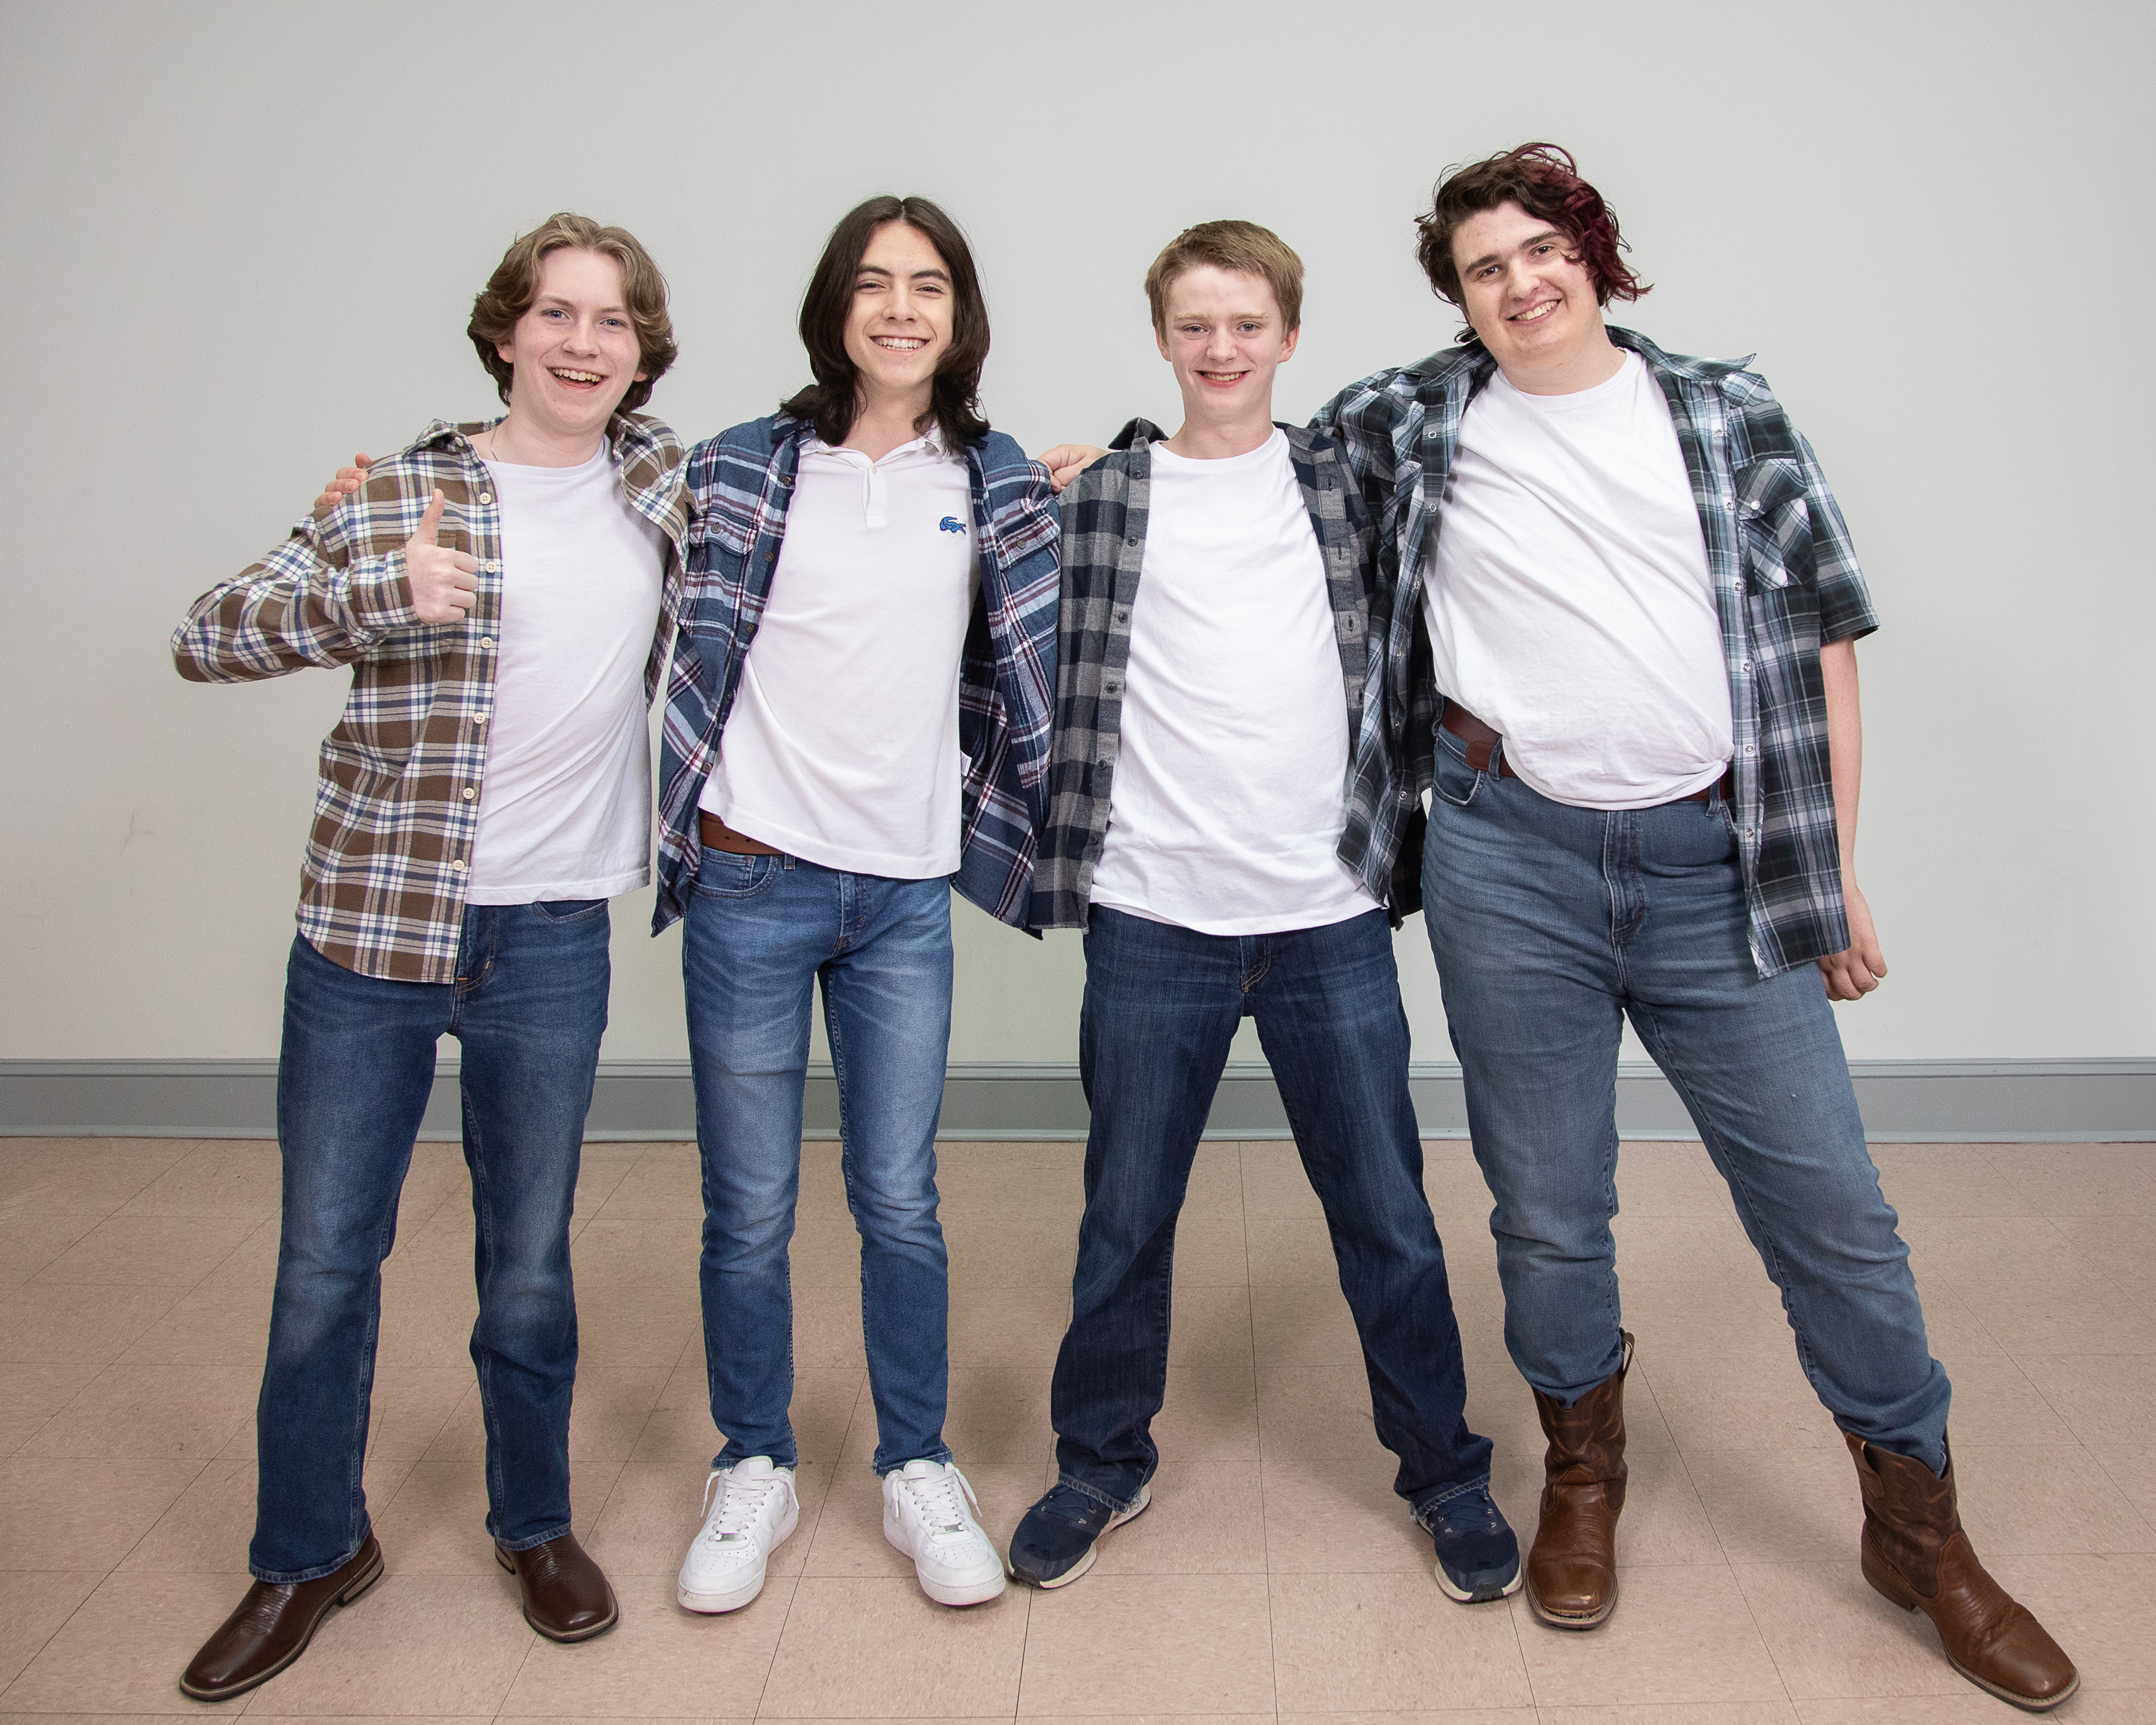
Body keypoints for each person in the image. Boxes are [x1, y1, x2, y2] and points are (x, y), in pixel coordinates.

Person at [1308, 144, 2076, 1707]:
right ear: (1458, 299)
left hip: (1716, 863)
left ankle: (1919, 1531)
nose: (1520, 285)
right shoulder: (1410, 420)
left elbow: (1824, 639)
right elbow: (1247, 470)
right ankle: (1582, 1469)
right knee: (1548, 1205)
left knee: (1833, 1213)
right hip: (1505, 860)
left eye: (1541, 251)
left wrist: (1836, 870)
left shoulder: (1725, 414)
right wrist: (1095, 464)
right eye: (1483, 269)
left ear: (1593, 252)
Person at [170, 214, 688, 1699]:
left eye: (613, 321)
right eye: (556, 314)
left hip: (549, 937)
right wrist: (376, 594)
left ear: (643, 351)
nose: (584, 342)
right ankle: (307, 1551)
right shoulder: (402, 487)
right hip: (371, 933)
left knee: (526, 1261)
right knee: (329, 1265)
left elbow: (839, 495)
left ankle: (534, 1526)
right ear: (506, 331)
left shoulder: (670, 489)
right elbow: (209, 632)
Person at [1009, 221, 1515, 1604]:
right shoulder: (1101, 493)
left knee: (1389, 1215)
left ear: (1290, 338)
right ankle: (1101, 1459)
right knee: (1124, 1216)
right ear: (1162, 340)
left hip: (1325, 911)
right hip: (1152, 913)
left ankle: (1445, 1474)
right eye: (1193, 327)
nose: (1220, 351)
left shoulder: (1349, 480)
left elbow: (1498, 383)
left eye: (1246, 326)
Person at [653, 196, 1060, 1614]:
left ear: (959, 317)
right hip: (752, 878)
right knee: (747, 1205)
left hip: (900, 896)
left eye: (929, 286)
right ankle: (752, 1462)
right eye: (875, 284)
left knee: (900, 1197)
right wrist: (385, 489)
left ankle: (914, 1465)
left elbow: (1130, 538)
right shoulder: (740, 466)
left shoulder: (998, 476)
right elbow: (560, 485)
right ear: (836, 307)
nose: (901, 308)